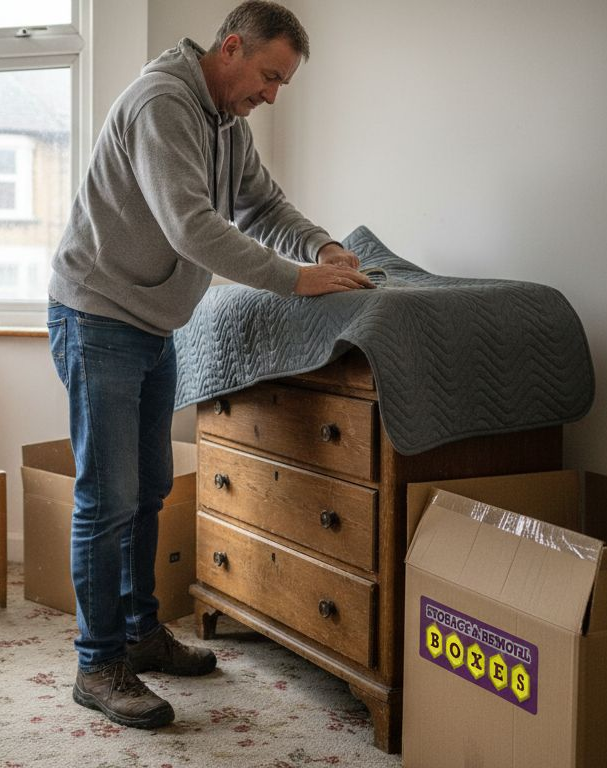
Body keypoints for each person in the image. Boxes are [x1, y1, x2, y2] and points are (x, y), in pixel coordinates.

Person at [45, 1, 373, 730]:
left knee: (150, 488)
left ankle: (138, 633)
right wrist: (294, 279)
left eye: (282, 83)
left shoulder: (227, 122)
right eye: (268, 76)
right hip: (98, 316)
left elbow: (259, 203)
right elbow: (191, 227)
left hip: (152, 324)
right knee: (107, 499)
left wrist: (318, 247)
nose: (272, 94)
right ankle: (98, 664)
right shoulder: (163, 102)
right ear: (230, 48)